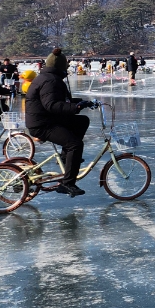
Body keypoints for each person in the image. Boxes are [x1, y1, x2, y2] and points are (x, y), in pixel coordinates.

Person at [24, 48, 95, 197]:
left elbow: (62, 101)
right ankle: (67, 184)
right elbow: (52, 105)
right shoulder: (50, 81)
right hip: (42, 124)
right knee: (75, 144)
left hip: (48, 119)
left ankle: (65, 156)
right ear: (60, 67)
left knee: (82, 121)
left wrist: (82, 103)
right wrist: (76, 107)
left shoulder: (50, 78)